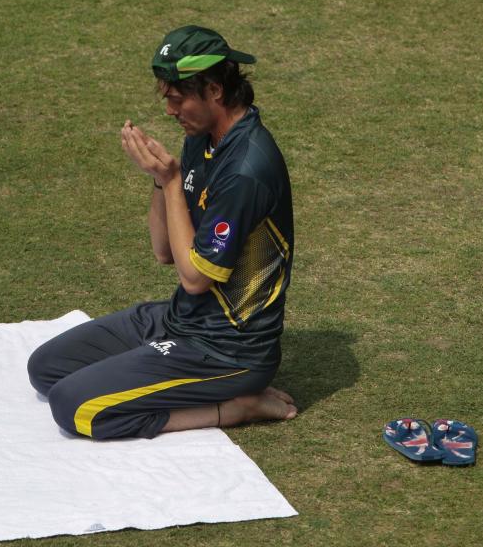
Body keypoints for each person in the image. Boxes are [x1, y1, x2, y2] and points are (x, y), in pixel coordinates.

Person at [27, 25, 297, 440]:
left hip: (227, 351)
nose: (170, 111)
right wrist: (160, 181)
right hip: (179, 322)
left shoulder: (247, 171)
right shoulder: (203, 140)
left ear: (214, 90)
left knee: (74, 406)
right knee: (47, 368)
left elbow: (195, 278)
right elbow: (164, 252)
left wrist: (172, 182)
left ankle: (235, 406)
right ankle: (158, 372)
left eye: (177, 98)